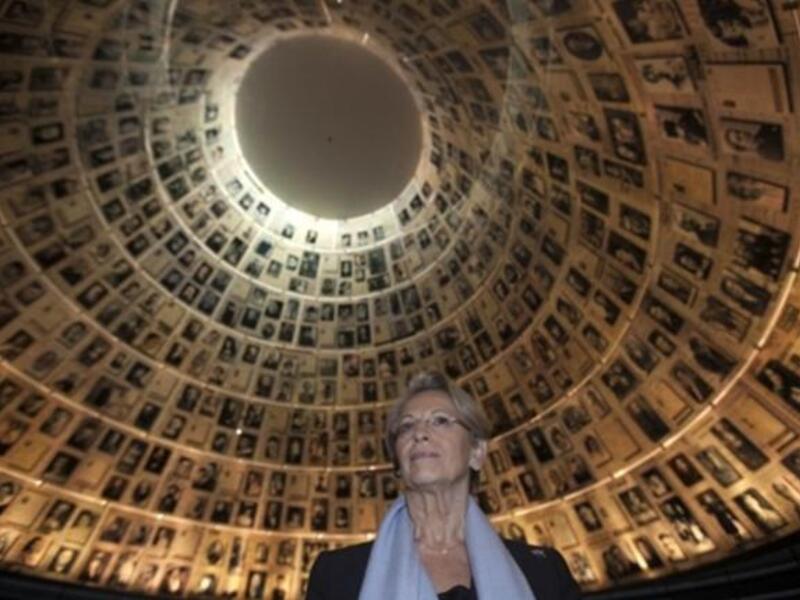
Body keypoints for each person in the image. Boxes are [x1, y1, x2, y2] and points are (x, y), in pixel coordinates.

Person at [307, 371, 580, 599]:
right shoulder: (337, 575)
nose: (420, 434)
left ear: (476, 452)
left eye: (440, 421)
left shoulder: (543, 573)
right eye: (406, 426)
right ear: (397, 460)